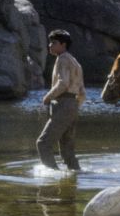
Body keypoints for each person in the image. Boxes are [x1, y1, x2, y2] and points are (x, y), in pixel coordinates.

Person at [36, 29, 86, 170]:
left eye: (54, 43)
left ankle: (52, 175)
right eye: (50, 43)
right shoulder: (75, 62)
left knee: (43, 143)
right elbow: (82, 92)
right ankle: (74, 176)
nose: (50, 45)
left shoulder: (62, 59)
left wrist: (47, 97)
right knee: (67, 150)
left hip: (63, 104)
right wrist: (74, 107)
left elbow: (62, 83)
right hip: (73, 105)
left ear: (63, 45)